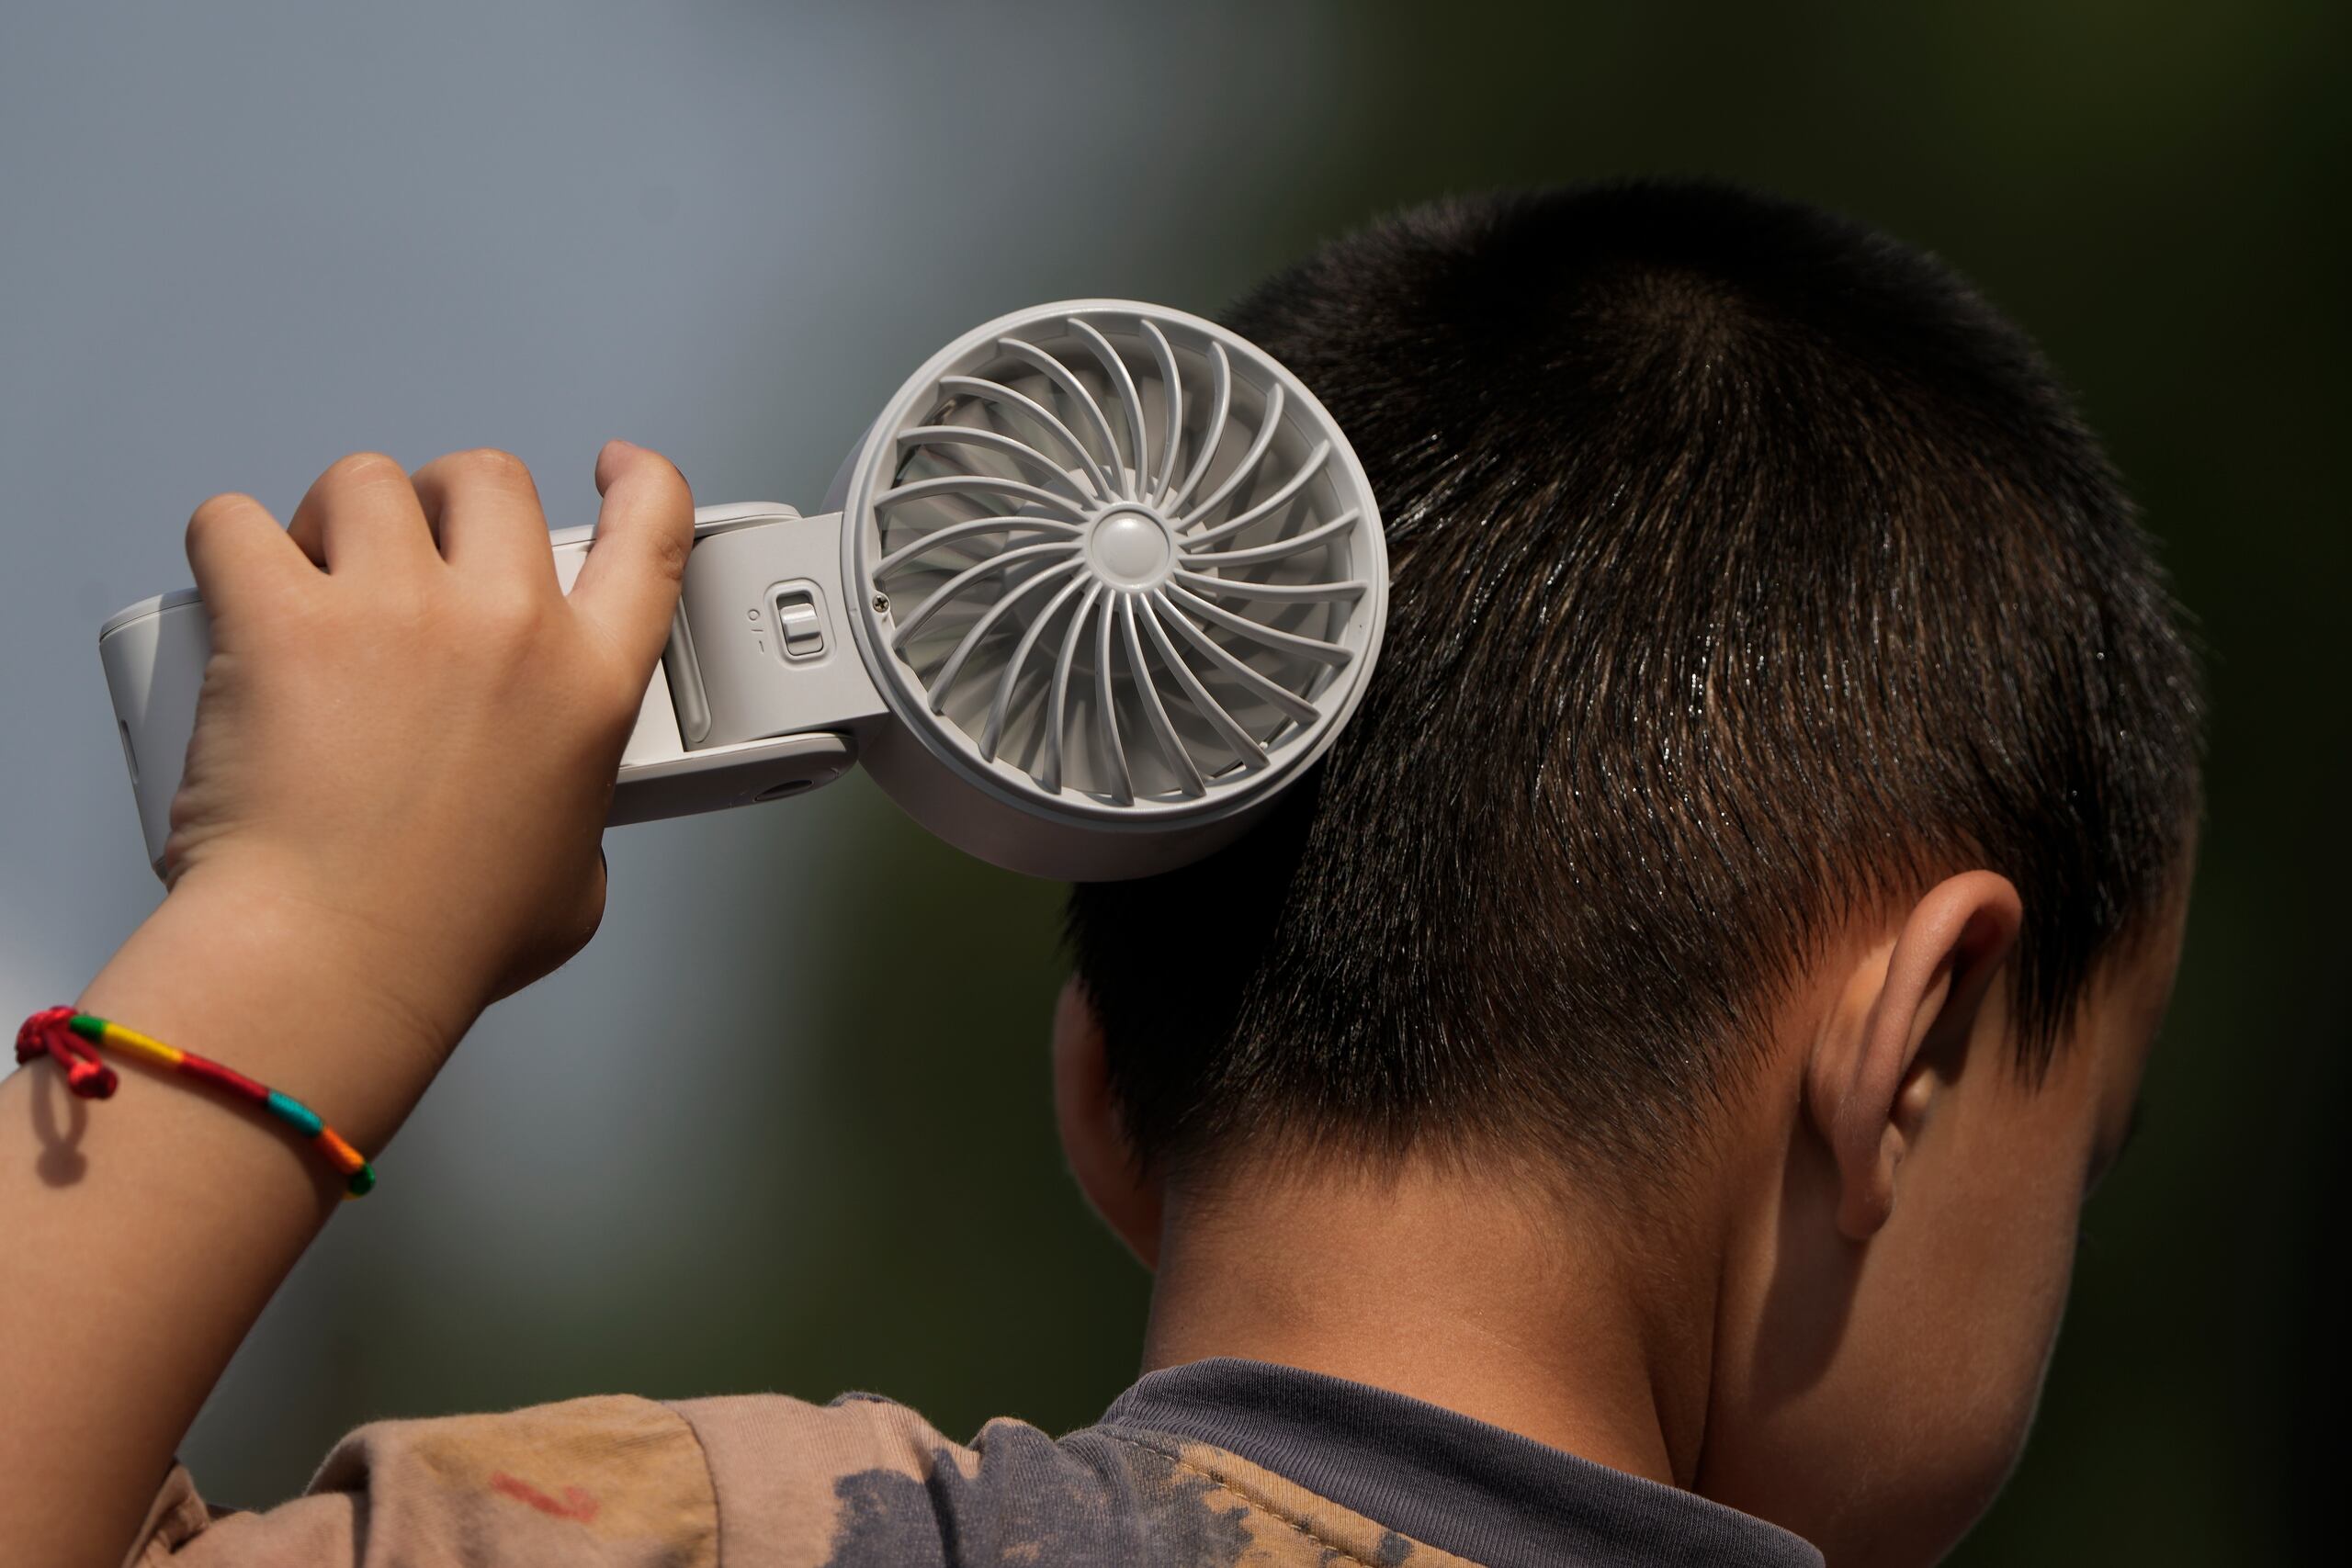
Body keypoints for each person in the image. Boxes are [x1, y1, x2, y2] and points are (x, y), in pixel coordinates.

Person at [1, 180, 2202, 1568]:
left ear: (1102, 1102)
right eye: (2081, 1157)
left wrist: (305, 935)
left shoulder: (701, 1537)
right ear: (1904, 1053)